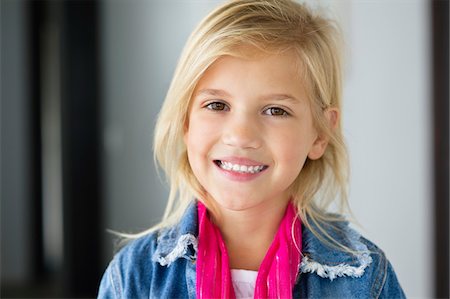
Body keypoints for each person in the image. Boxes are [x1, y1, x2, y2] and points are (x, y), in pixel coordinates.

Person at [98, 0, 406, 298]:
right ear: (185, 121)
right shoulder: (133, 278)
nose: (241, 136)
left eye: (275, 110)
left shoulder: (367, 279)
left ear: (319, 134)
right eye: (217, 105)